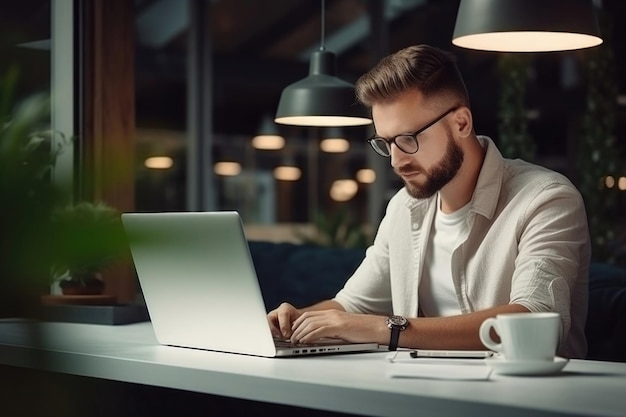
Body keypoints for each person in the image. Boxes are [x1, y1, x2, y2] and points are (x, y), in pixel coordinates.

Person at [267, 44, 591, 358]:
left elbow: (535, 322)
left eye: (408, 139)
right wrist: (290, 323)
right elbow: (353, 307)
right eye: (386, 143)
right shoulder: (403, 208)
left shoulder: (546, 199)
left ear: (461, 122)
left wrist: (390, 329)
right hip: (425, 392)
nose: (395, 161)